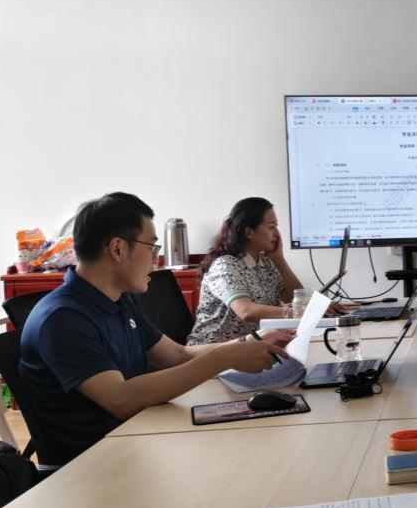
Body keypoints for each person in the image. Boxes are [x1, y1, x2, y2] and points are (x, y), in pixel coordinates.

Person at [20, 192, 292, 465]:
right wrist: (224, 359)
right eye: (151, 247)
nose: (156, 259)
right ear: (117, 248)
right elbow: (120, 399)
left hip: (138, 439)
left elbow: (178, 355)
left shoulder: (119, 301)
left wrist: (251, 341)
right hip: (91, 465)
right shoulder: (62, 318)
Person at [187, 197, 308, 345]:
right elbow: (246, 311)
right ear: (249, 232)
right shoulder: (225, 266)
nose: (277, 234)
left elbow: (297, 300)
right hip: (213, 349)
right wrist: (302, 312)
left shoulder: (267, 263)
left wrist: (279, 260)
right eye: (271, 227)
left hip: (249, 347)